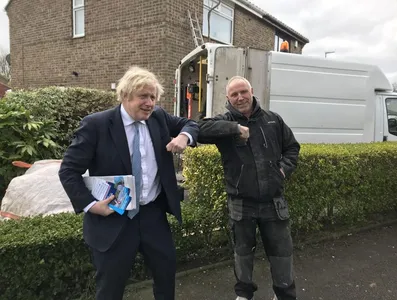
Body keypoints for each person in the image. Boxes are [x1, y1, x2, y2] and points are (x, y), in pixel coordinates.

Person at [58, 66, 199, 300]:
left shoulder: (159, 118)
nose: (150, 103)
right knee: (111, 288)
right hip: (114, 217)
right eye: (143, 96)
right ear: (125, 95)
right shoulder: (96, 125)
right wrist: (92, 205)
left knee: (166, 277)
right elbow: (69, 171)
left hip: (153, 215)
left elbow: (191, 124)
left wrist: (184, 136)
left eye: (153, 97)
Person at [198, 76, 300, 300]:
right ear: (228, 98)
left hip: (274, 201)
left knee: (282, 252)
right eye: (234, 94)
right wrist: (235, 128)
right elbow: (200, 128)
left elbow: (292, 148)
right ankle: (244, 295)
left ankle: (284, 293)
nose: (240, 97)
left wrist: (282, 170)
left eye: (243, 91)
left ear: (252, 91)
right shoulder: (223, 122)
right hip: (241, 202)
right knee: (242, 253)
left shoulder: (273, 120)